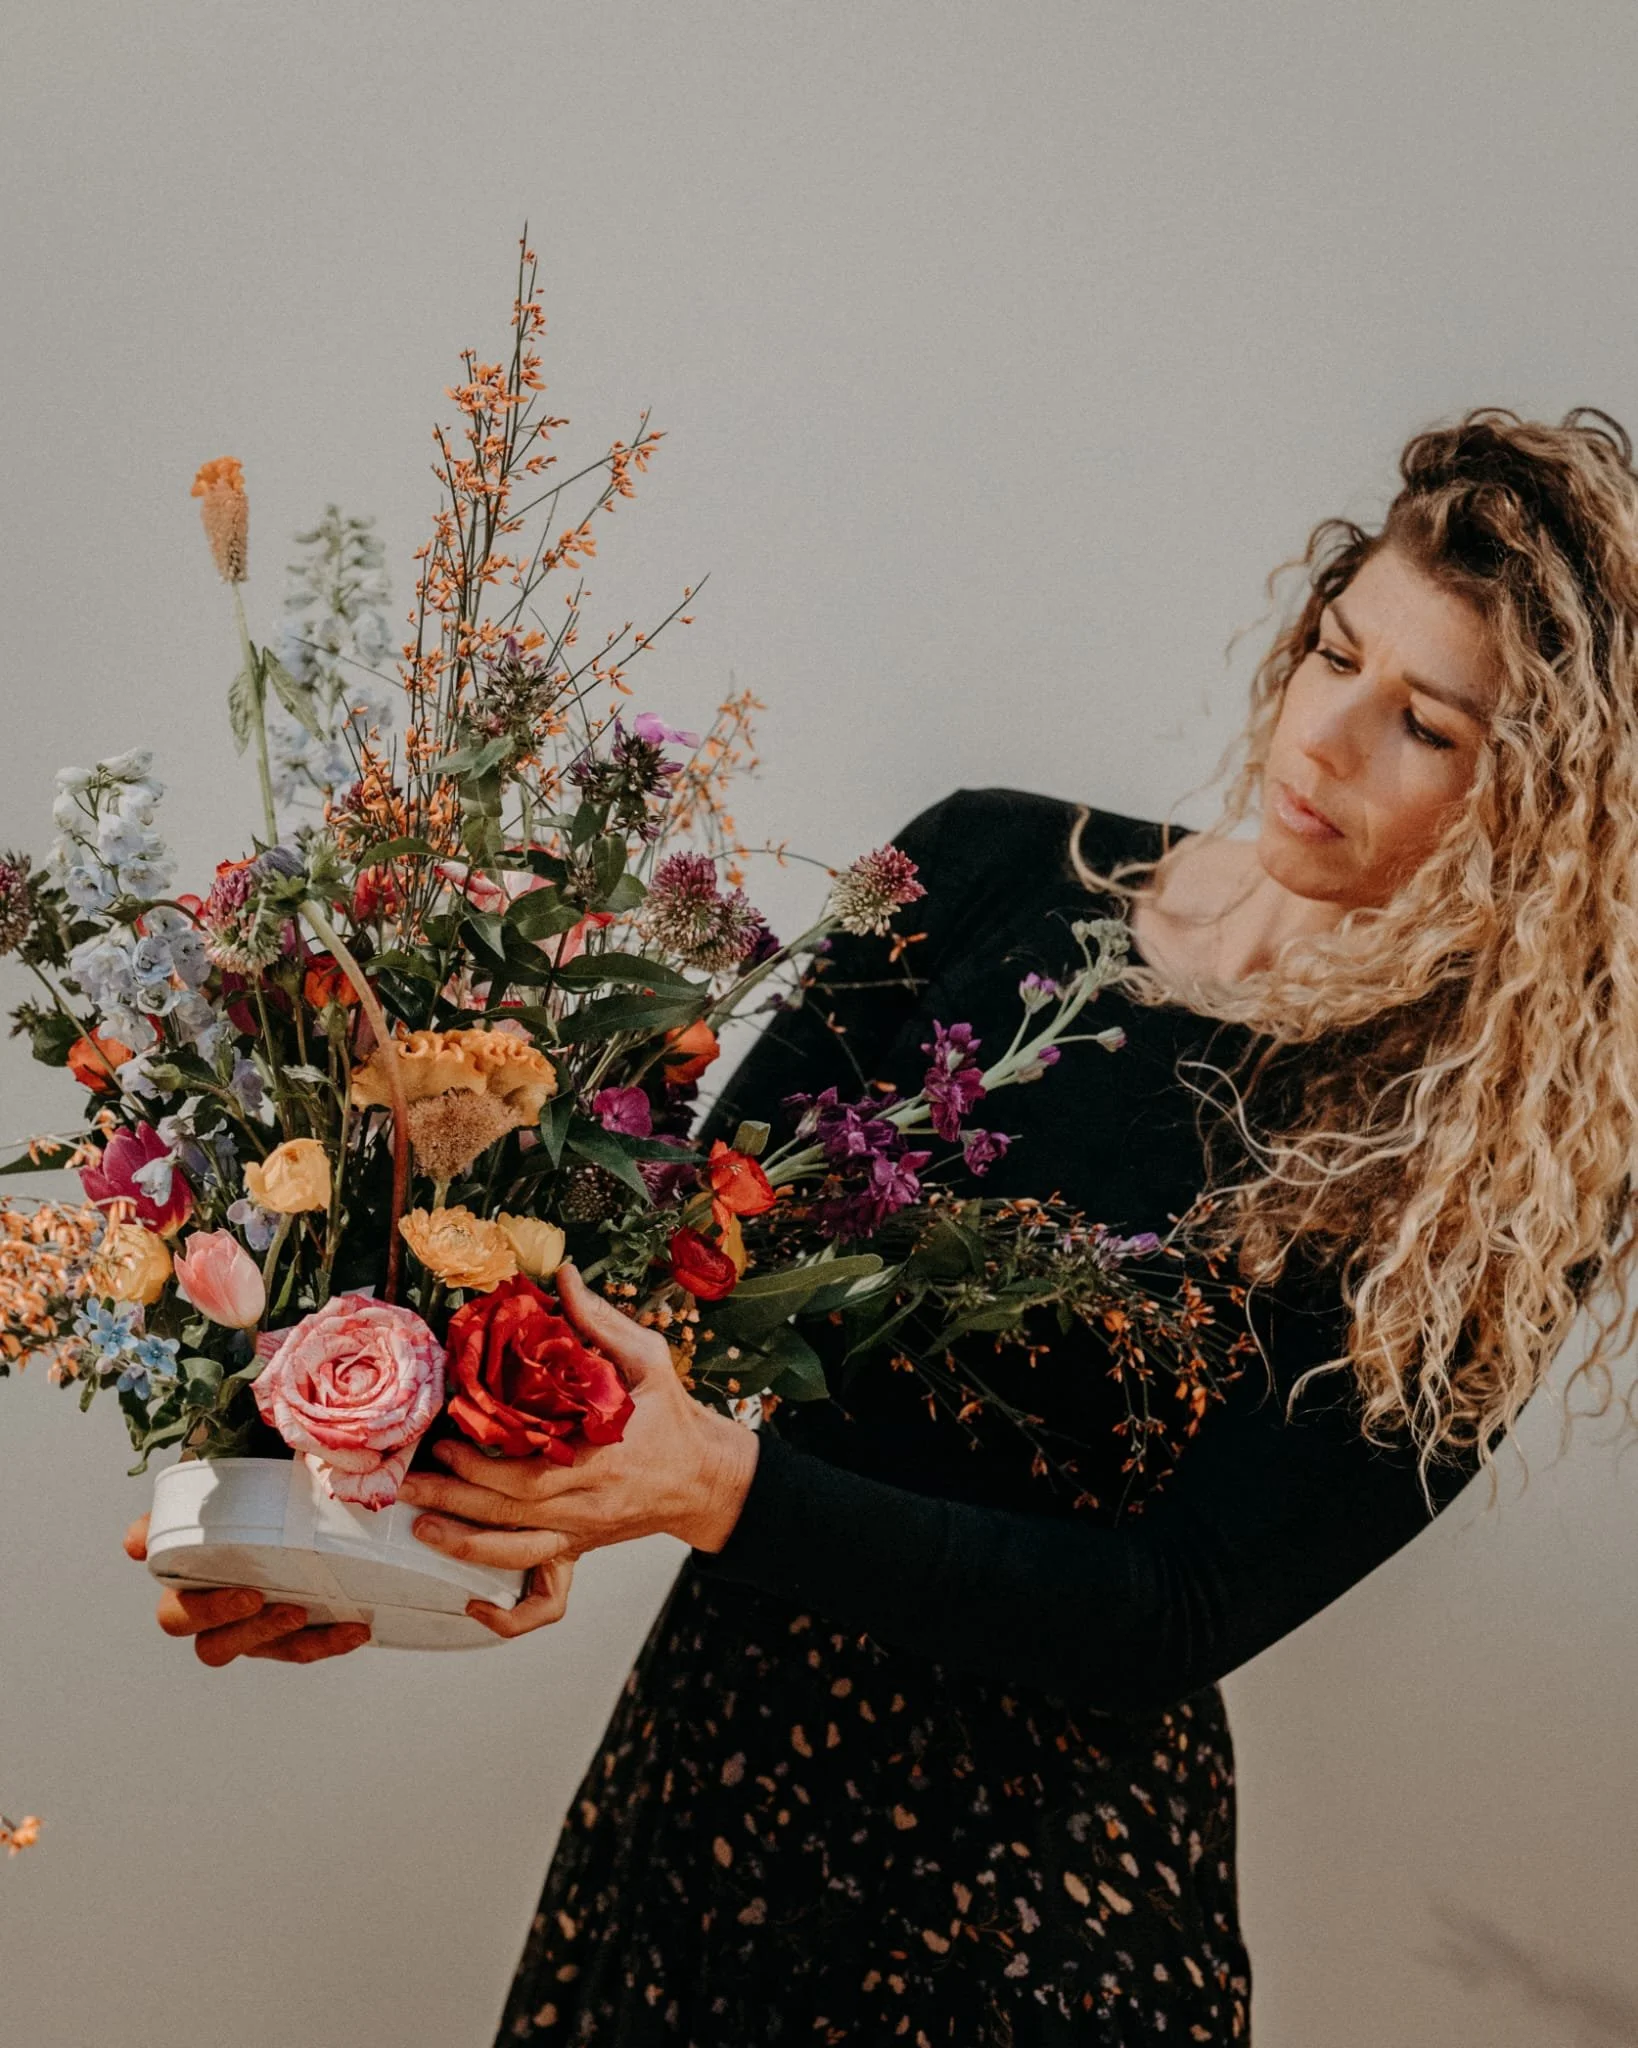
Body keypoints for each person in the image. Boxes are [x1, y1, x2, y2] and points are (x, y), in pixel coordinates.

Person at [125, 408, 1638, 2044]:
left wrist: (715, 1487)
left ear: (1541, 811)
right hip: (701, 1810)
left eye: (1424, 725)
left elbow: (1168, 1612)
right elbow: (684, 1288)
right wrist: (386, 1527)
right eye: (1335, 650)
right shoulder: (985, 866)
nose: (1323, 738)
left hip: (1040, 1933)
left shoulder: (1484, 1167)